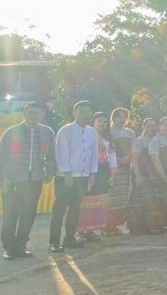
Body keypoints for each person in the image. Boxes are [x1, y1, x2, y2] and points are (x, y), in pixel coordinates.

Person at [0, 101, 56, 260]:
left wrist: (50, 172)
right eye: (31, 112)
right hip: (13, 180)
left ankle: (21, 246)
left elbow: (51, 156)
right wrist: (0, 178)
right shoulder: (12, 132)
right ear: (24, 113)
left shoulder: (47, 133)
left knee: (28, 214)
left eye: (38, 113)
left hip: (35, 180)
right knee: (10, 214)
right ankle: (8, 248)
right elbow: (0, 157)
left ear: (42, 115)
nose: (34, 116)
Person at [51, 100, 99, 252]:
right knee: (60, 209)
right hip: (66, 177)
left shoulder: (92, 132)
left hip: (83, 176)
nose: (84, 115)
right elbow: (62, 153)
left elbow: (94, 155)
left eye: (87, 112)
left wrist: (92, 174)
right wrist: (67, 174)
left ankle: (69, 238)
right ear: (74, 112)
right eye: (81, 111)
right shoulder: (66, 130)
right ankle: (54, 242)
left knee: (75, 208)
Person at [76, 112, 116, 242]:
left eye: (105, 121)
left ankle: (92, 230)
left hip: (103, 171)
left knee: (98, 201)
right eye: (99, 121)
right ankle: (80, 231)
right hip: (87, 171)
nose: (102, 124)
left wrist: (113, 174)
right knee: (85, 201)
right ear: (93, 121)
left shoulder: (108, 139)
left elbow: (112, 157)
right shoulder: (85, 135)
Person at [105, 107, 134, 235]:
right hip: (111, 167)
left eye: (124, 116)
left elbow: (133, 148)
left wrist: (128, 157)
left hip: (126, 167)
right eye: (119, 116)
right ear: (113, 117)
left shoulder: (130, 133)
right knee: (111, 196)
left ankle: (116, 225)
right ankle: (106, 225)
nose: (122, 119)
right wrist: (116, 159)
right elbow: (105, 149)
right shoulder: (108, 132)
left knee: (122, 196)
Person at [148, 117, 167, 232]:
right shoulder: (155, 140)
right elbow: (155, 159)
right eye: (165, 125)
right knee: (157, 200)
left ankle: (163, 225)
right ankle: (154, 226)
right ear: (159, 127)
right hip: (158, 175)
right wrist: (163, 176)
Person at [128, 118, 157, 235]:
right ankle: (136, 227)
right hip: (141, 174)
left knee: (150, 201)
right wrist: (137, 176)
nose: (151, 128)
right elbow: (134, 159)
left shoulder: (155, 140)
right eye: (149, 125)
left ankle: (148, 226)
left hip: (152, 175)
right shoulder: (139, 141)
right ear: (143, 127)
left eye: (153, 125)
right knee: (137, 202)